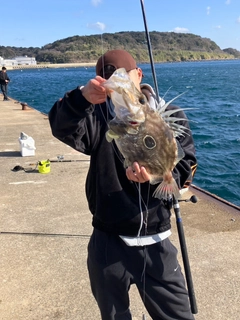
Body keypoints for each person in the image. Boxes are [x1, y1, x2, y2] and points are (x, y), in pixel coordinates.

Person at [49, 49, 197, 320]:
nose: (115, 83)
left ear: (138, 75)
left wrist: (158, 178)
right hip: (108, 239)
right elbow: (61, 127)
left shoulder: (168, 114)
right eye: (106, 78)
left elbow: (186, 164)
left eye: (121, 76)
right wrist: (81, 99)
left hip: (156, 241)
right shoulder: (95, 116)